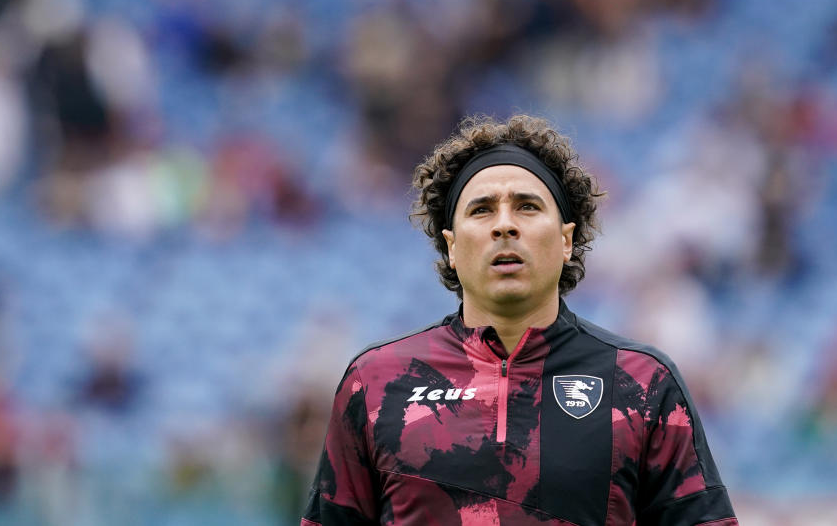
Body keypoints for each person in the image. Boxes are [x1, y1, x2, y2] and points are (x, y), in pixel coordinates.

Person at [302, 114, 738, 525]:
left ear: (566, 239)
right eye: (481, 210)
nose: (505, 226)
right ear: (451, 246)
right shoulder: (377, 382)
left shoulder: (643, 383)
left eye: (527, 207)